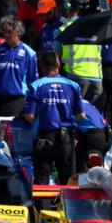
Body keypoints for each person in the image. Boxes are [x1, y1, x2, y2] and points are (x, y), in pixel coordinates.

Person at [23, 51, 84, 185]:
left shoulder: (36, 85)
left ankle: (42, 200)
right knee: (68, 180)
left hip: (45, 137)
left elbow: (29, 116)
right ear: (59, 65)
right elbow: (81, 115)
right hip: (67, 137)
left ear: (42, 67)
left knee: (42, 179)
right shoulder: (73, 85)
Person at [0, 16, 37, 117]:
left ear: (18, 31)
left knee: (12, 128)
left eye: (9, 32)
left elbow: (33, 83)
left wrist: (31, 108)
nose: (6, 35)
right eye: (4, 31)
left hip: (16, 101)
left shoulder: (29, 53)